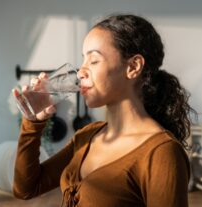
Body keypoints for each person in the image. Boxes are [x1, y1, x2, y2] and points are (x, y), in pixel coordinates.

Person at [12, 14, 196, 207]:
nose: (81, 71)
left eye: (93, 61)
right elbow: (26, 188)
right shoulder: (87, 136)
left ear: (133, 67)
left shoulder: (161, 153)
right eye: (83, 60)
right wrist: (33, 122)